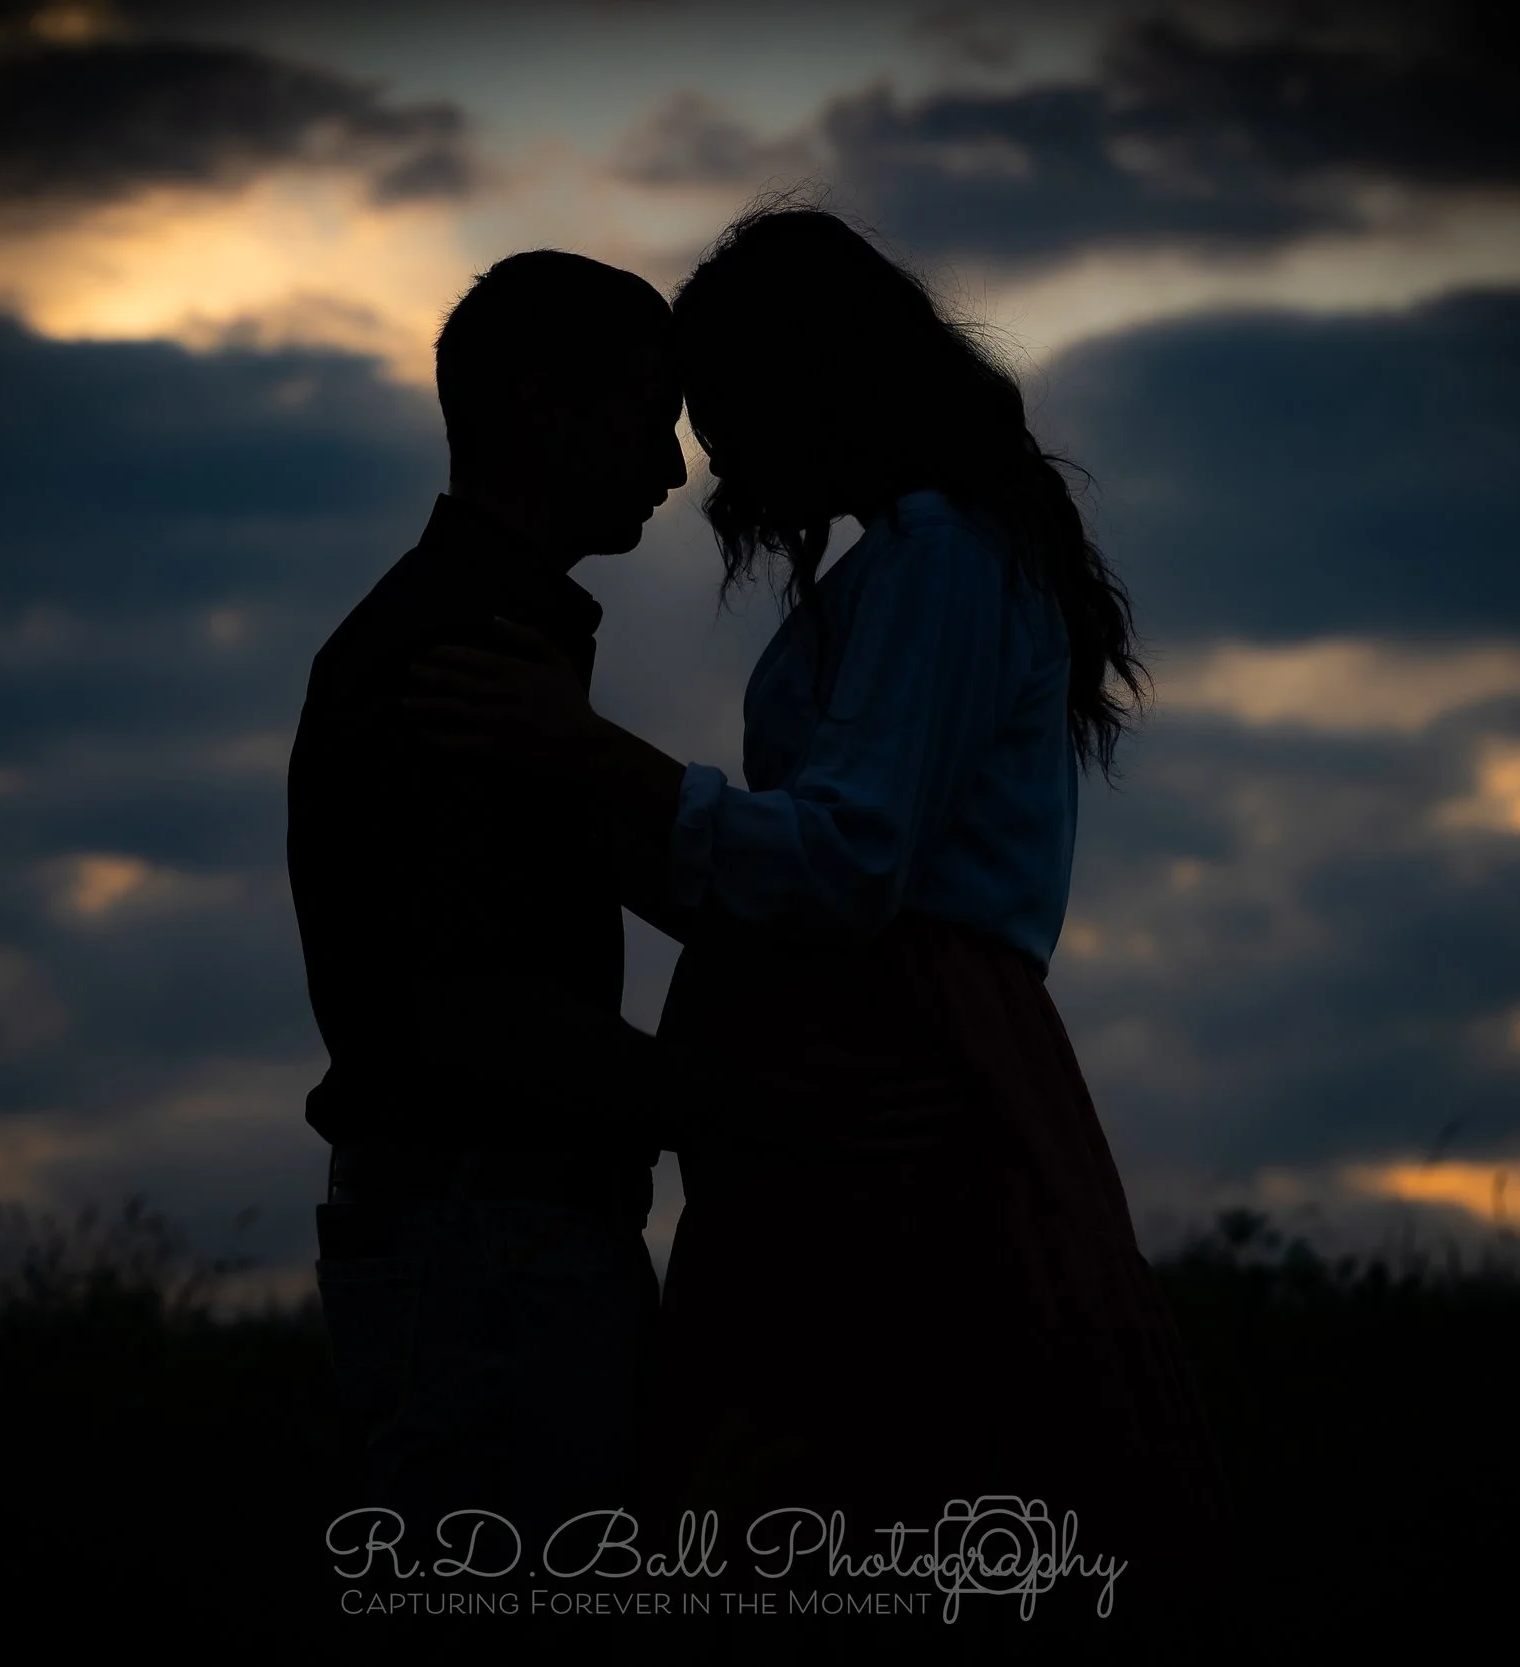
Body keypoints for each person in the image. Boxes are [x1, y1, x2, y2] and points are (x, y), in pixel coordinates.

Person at [404, 207, 1240, 1659]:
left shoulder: (939, 562)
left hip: (892, 1053)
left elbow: (848, 859)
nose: (704, 455)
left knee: (869, 1465)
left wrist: (589, 759)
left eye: (720, 407)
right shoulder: (906, 565)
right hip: (857, 1045)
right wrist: (590, 803)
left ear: (808, 387)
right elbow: (807, 863)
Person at [286, 249, 691, 1585]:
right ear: (543, 408)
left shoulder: (471, 639)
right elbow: (468, 1006)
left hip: (484, 1244)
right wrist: (731, 1105)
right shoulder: (455, 654)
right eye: (651, 419)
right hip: (492, 1254)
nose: (675, 466)